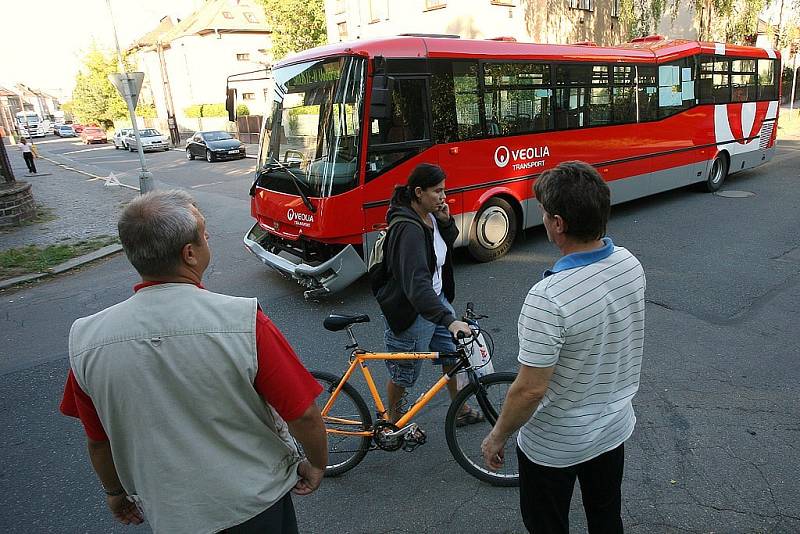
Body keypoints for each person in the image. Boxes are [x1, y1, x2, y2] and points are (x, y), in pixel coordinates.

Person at [59, 190, 327, 534]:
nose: (208, 238)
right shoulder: (244, 321)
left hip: (173, 515)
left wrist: (115, 493)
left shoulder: (87, 339)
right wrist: (316, 463)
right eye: (204, 234)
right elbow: (302, 414)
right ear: (189, 254)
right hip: (255, 505)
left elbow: (98, 440)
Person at [481, 161, 646, 534]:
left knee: (547, 524)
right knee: (606, 518)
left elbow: (530, 389)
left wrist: (498, 435)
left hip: (554, 445)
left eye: (542, 210)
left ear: (558, 223)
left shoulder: (549, 297)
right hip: (612, 429)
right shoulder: (629, 264)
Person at [374, 163, 479, 428]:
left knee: (452, 356)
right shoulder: (407, 229)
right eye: (438, 191)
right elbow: (416, 285)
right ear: (418, 192)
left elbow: (445, 247)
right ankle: (393, 423)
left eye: (445, 190)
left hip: (435, 301)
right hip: (412, 311)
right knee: (404, 373)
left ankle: (460, 409)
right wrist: (448, 319)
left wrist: (445, 221)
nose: (444, 197)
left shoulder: (429, 215)